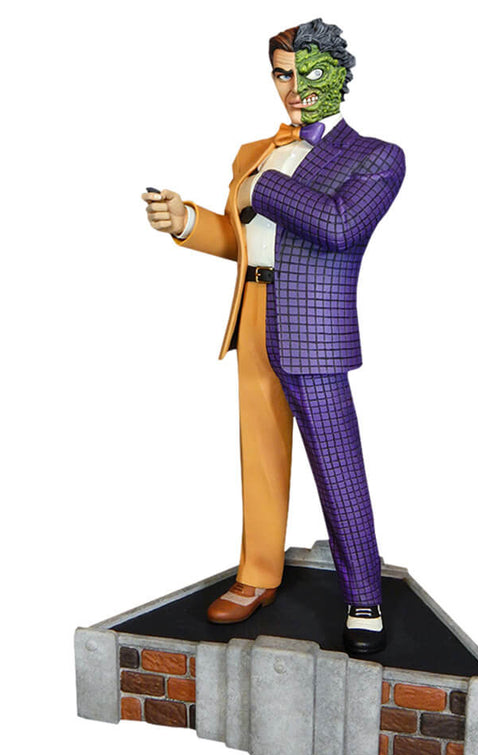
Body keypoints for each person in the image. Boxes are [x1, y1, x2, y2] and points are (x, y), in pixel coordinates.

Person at [142, 19, 405, 655]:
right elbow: (245, 242)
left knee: (336, 462)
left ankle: (363, 594)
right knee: (258, 455)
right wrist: (187, 222)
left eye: (309, 72)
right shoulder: (254, 152)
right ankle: (257, 574)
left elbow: (339, 226)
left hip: (313, 328)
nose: (294, 88)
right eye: (283, 74)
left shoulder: (376, 156)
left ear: (339, 74)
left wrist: (264, 186)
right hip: (254, 314)